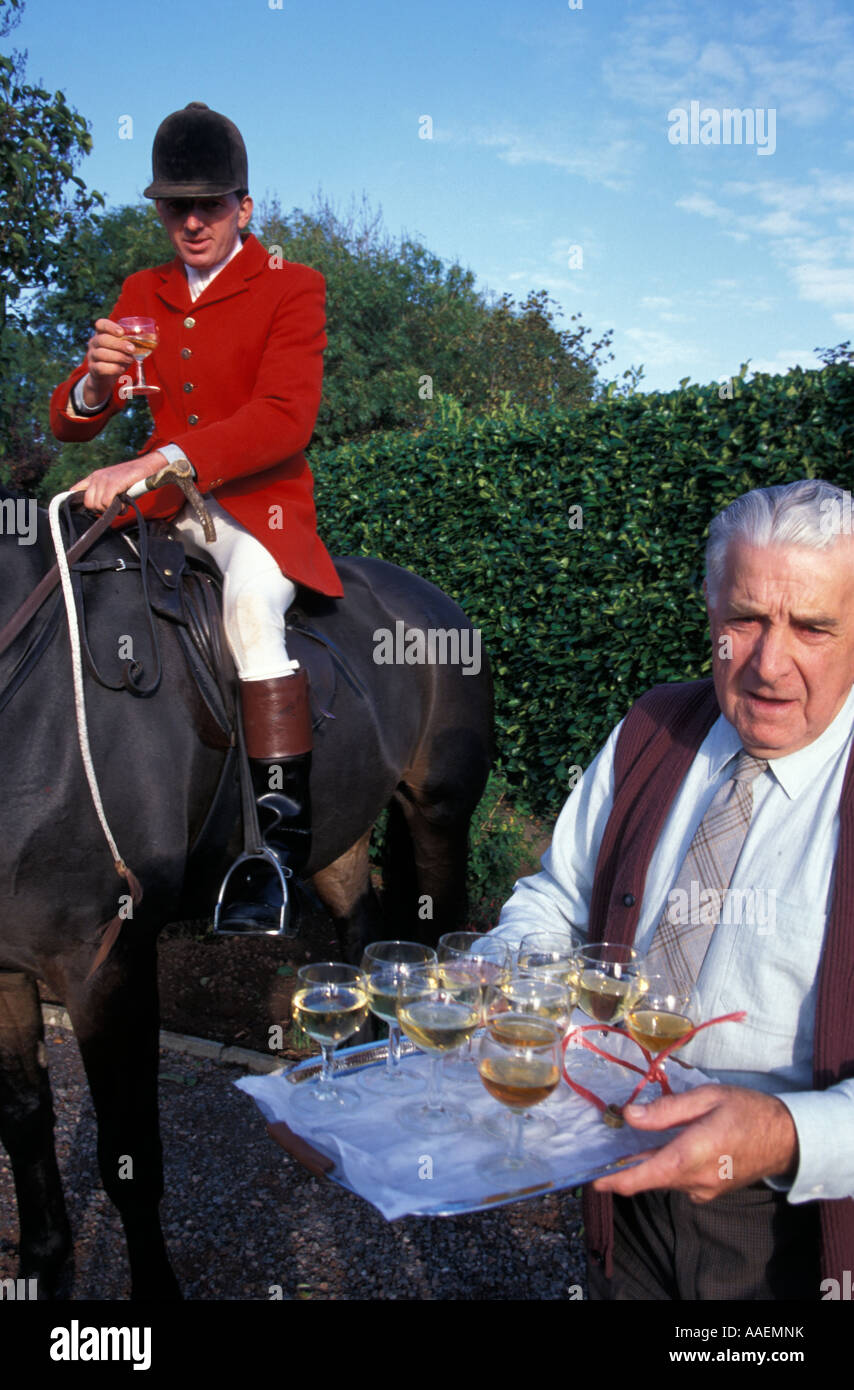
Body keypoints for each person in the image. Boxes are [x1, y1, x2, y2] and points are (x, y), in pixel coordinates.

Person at [492, 478, 854, 1300]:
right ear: (708, 616)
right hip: (621, 1169)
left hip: (796, 1219)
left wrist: (788, 1130)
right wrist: (513, 991)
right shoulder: (653, 730)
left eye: (813, 628)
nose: (769, 664)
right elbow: (556, 898)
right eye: (745, 620)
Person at [50, 101, 342, 904]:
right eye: (175, 207)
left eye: (208, 205)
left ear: (243, 208)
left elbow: (287, 418)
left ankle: (278, 849)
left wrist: (159, 459)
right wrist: (99, 382)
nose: (191, 222)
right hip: (159, 512)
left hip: (259, 513)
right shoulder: (141, 287)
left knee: (250, 608)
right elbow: (72, 422)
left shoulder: (295, 286)